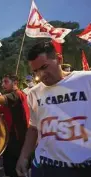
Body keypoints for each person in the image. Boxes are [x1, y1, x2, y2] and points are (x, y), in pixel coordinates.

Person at [16, 41, 91, 177]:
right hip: (45, 167)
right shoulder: (34, 93)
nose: (41, 75)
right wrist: (24, 156)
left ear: (59, 59)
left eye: (44, 67)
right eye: (35, 71)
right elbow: (33, 128)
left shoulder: (86, 80)